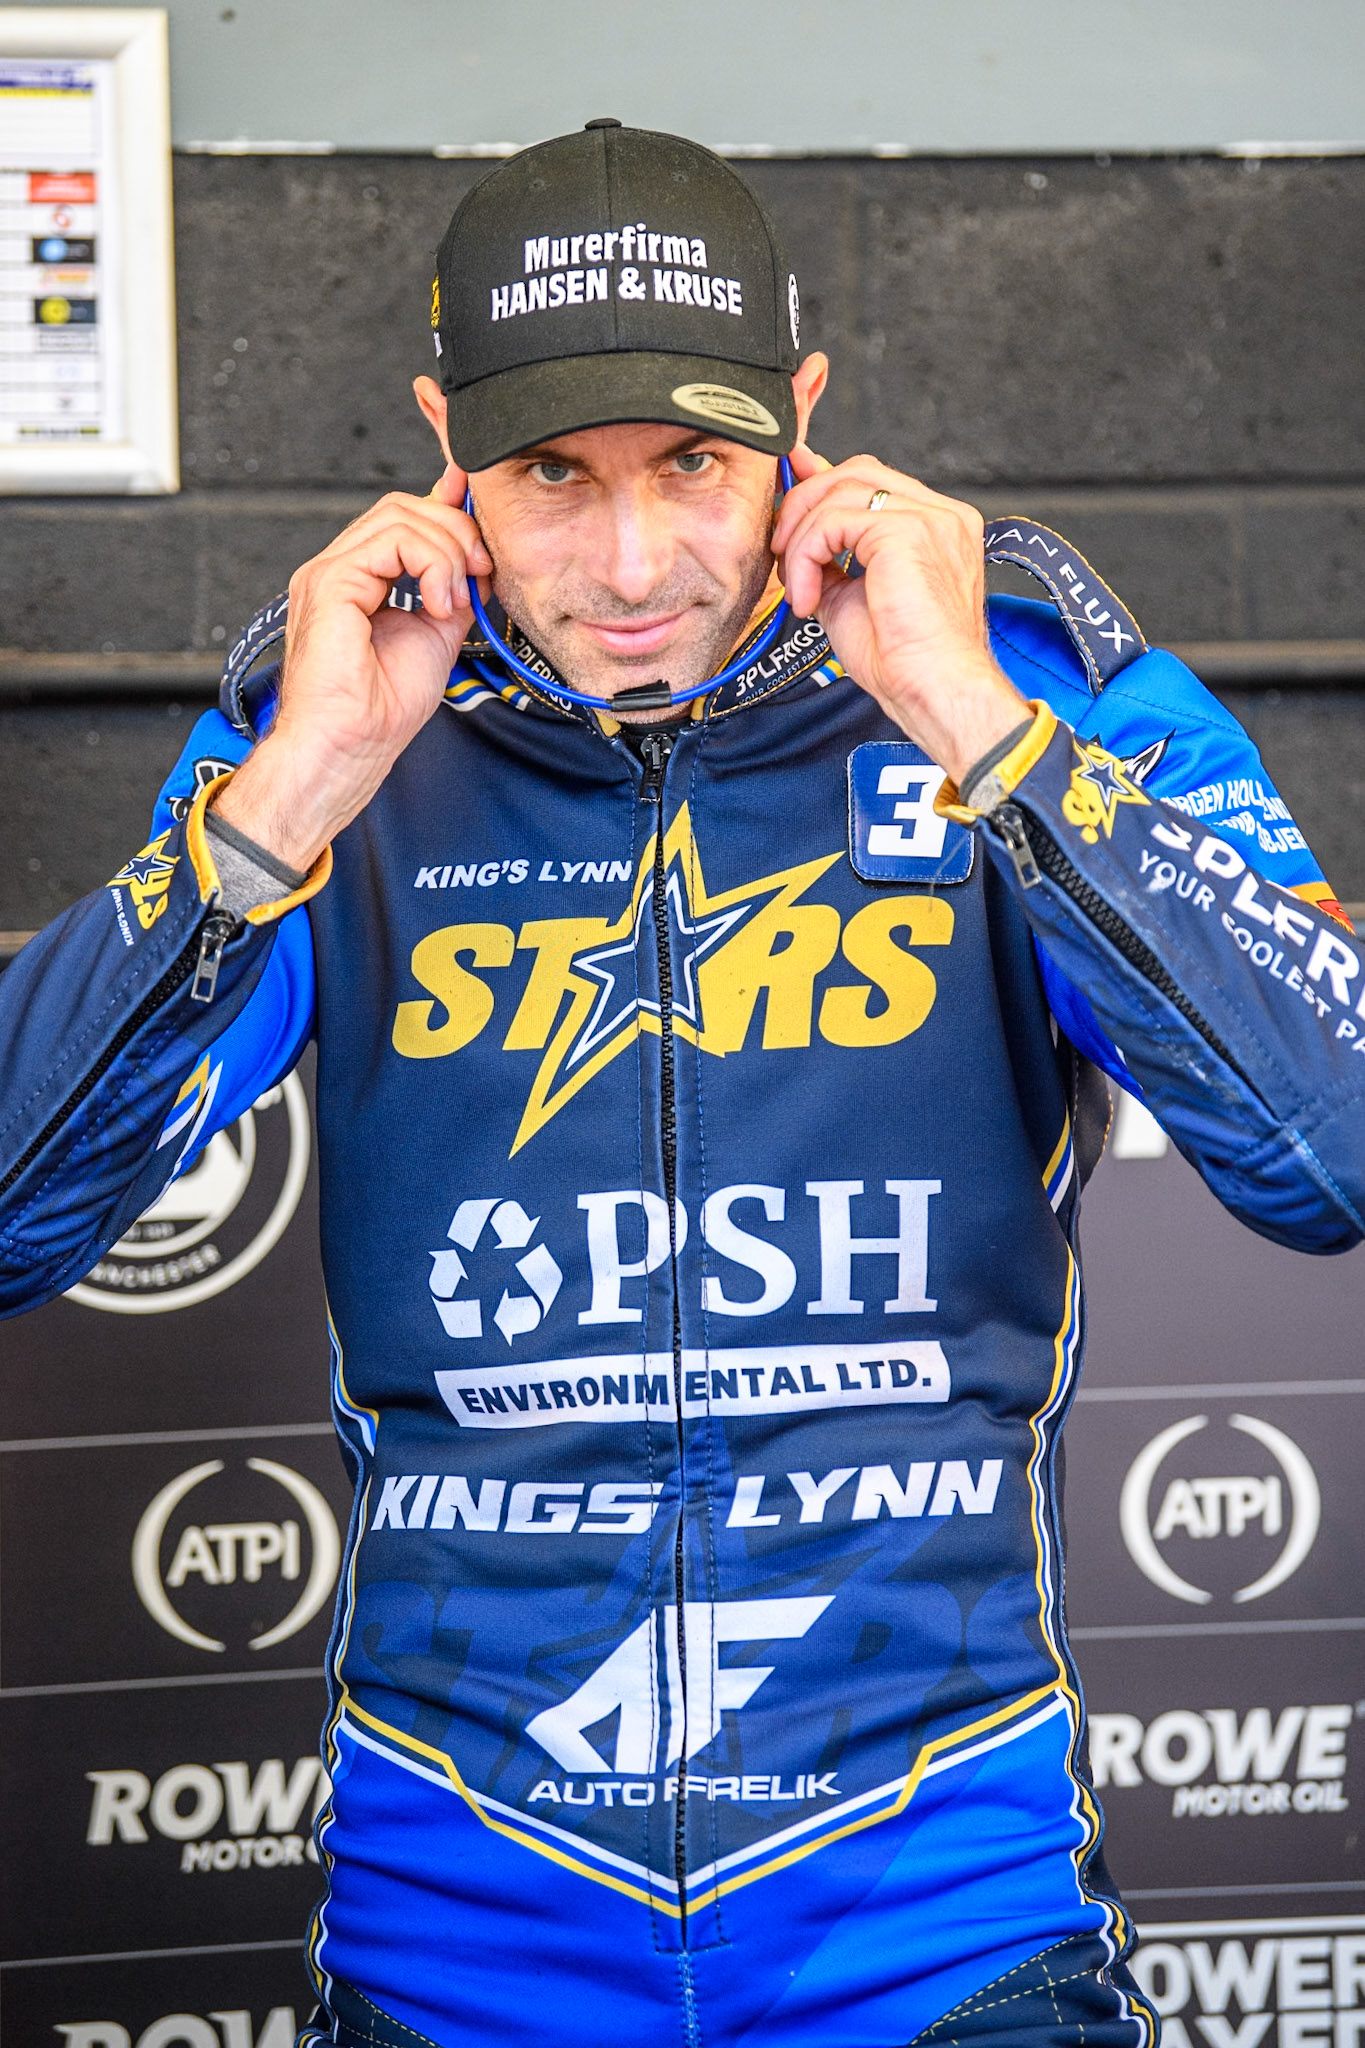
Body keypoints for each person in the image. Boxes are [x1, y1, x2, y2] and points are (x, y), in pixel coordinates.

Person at [2, 120, 1362, 2048]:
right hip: (455, 1948)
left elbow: (1330, 1155)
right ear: (444, 443)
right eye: (552, 474)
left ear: (801, 420)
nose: (630, 564)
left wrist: (977, 726)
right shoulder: (328, 731)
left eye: (694, 467)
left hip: (942, 1940)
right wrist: (290, 794)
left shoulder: (1035, 687)